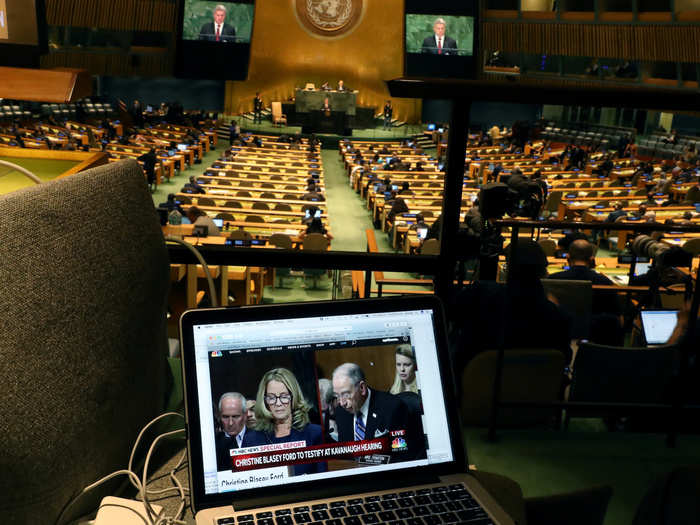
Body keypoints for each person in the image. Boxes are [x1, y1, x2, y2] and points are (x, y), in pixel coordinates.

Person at [251, 368, 327, 474]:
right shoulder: (251, 440)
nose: (278, 403)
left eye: (284, 396)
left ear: (294, 397)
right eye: (271, 397)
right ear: (264, 401)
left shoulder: (315, 434)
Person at [548, 239, 624, 345]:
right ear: (592, 259)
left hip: (557, 340)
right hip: (596, 342)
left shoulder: (552, 280)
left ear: (568, 257)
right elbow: (619, 319)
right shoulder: (604, 282)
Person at [332, 363, 409, 443]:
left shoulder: (392, 407)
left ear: (362, 388)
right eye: (337, 396)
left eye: (346, 394)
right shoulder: (341, 412)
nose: (341, 403)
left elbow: (400, 448)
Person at [215, 392, 256, 471]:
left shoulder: (262, 438)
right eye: (225, 417)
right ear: (219, 416)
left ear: (245, 415)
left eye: (235, 416)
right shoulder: (212, 444)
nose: (230, 423)